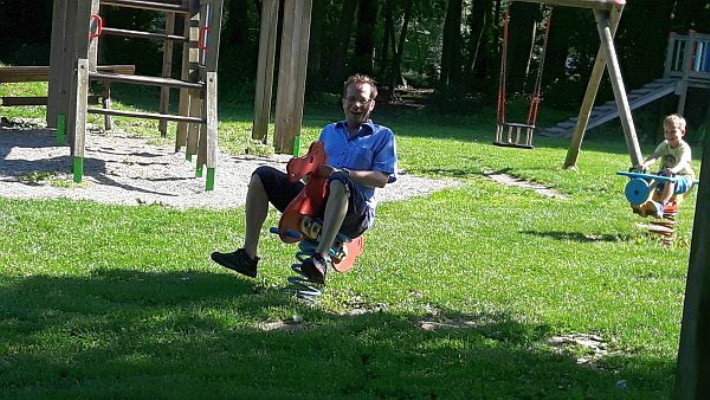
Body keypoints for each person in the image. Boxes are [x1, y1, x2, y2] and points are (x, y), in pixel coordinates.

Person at [211, 74, 397, 283]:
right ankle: (248, 255)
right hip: (320, 201)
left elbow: (382, 178)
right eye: (351, 99)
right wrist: (306, 171)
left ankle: (320, 258)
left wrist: (342, 173)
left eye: (362, 100)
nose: (356, 105)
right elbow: (315, 171)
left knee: (339, 180)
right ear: (344, 102)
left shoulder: (383, 136)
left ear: (371, 104)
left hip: (356, 213)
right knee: (262, 176)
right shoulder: (330, 132)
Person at [637, 114, 695, 217]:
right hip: (665, 176)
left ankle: (661, 205)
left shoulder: (684, 148)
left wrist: (673, 170)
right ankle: (641, 202)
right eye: (666, 132)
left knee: (670, 178)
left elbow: (682, 163)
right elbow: (655, 156)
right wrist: (645, 164)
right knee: (650, 177)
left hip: (684, 179)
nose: (669, 135)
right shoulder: (665, 144)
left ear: (682, 132)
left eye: (673, 131)